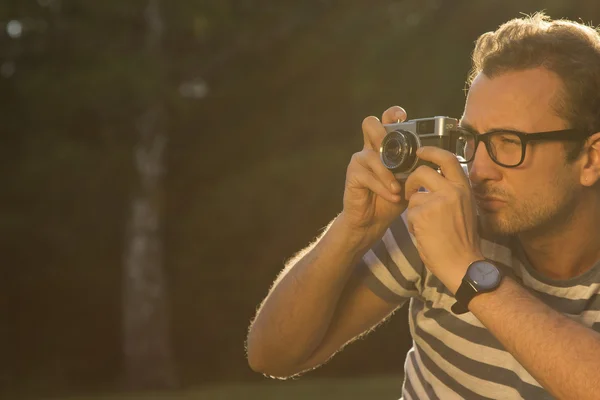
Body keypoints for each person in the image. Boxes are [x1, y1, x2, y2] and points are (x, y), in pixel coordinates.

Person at [246, 12, 600, 400]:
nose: (478, 169)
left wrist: (469, 272)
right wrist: (353, 230)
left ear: (590, 158)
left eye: (508, 142)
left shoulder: (452, 235)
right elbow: (272, 356)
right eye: (471, 138)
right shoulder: (444, 211)